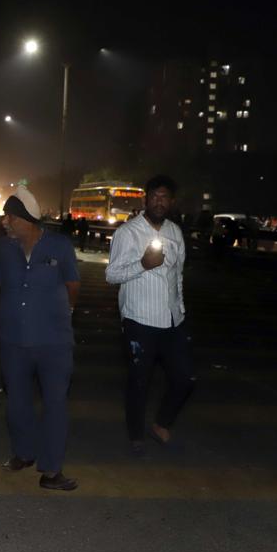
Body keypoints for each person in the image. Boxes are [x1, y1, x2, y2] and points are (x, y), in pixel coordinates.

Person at [0, 186, 81, 491]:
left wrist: (64, 312)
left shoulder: (60, 246)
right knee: (17, 403)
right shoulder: (2, 249)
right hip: (13, 340)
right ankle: (23, 453)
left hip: (54, 343)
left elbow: (72, 285)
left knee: (55, 404)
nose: (4, 222)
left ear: (25, 220)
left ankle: (52, 470)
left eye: (9, 217)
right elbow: (2, 283)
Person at [105, 175, 195, 457]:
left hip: (171, 320)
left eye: (164, 196)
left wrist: (179, 308)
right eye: (154, 196)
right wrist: (142, 264)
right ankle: (136, 433)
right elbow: (111, 275)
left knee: (185, 377)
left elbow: (177, 274)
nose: (159, 201)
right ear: (146, 199)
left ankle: (161, 423)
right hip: (139, 320)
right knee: (139, 381)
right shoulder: (128, 233)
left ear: (171, 201)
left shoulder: (175, 233)